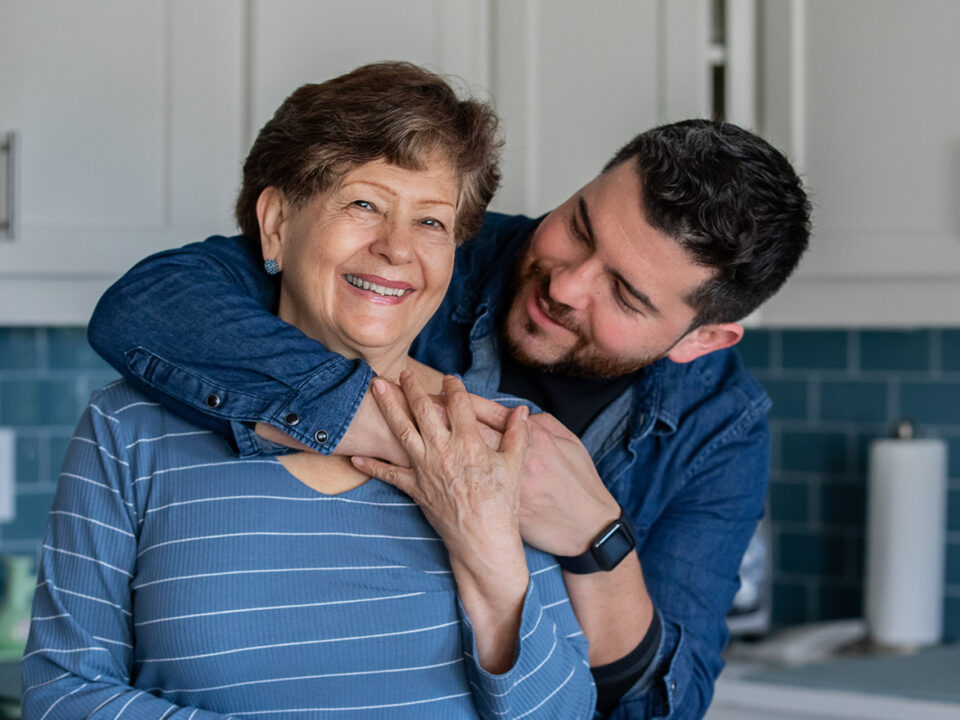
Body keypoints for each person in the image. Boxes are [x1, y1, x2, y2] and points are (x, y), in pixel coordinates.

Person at [86, 111, 811, 719]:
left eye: (624, 294)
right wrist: (417, 435)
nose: (565, 283)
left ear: (702, 339)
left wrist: (595, 537)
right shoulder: (430, 246)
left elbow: (657, 705)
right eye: (581, 227)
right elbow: (150, 307)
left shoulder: (721, 424)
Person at [22, 62, 597, 720]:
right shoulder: (130, 430)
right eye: (363, 205)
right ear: (275, 224)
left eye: (432, 223)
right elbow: (61, 696)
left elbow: (566, 713)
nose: (396, 249)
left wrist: (490, 554)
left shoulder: (498, 436)